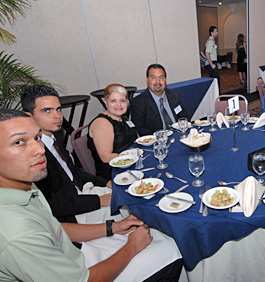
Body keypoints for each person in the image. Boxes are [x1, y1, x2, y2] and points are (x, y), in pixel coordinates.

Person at [0, 109, 183, 282]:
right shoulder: (17, 233)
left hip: (74, 254)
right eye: (18, 142)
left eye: (37, 138)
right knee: (174, 251)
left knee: (161, 236)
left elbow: (55, 229)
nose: (39, 150)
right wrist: (132, 247)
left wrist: (114, 227)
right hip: (84, 272)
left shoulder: (24, 186)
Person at [20, 85, 113, 224]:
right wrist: (100, 201)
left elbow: (75, 173)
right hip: (73, 216)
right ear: (29, 116)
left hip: (83, 195)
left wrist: (106, 182)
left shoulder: (53, 140)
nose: (57, 115)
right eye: (46, 111)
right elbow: (55, 205)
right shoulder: (33, 155)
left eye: (58, 109)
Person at [88, 84, 138, 179]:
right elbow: (106, 157)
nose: (118, 104)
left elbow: (137, 139)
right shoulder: (102, 123)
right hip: (114, 173)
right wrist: (133, 157)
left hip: (131, 165)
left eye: (122, 100)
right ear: (106, 103)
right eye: (113, 101)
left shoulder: (124, 118)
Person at [131, 64, 190, 136]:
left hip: (179, 136)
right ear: (147, 80)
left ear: (165, 80)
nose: (157, 82)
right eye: (153, 78)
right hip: (157, 141)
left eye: (161, 78)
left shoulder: (174, 95)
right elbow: (140, 130)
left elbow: (184, 116)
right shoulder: (138, 102)